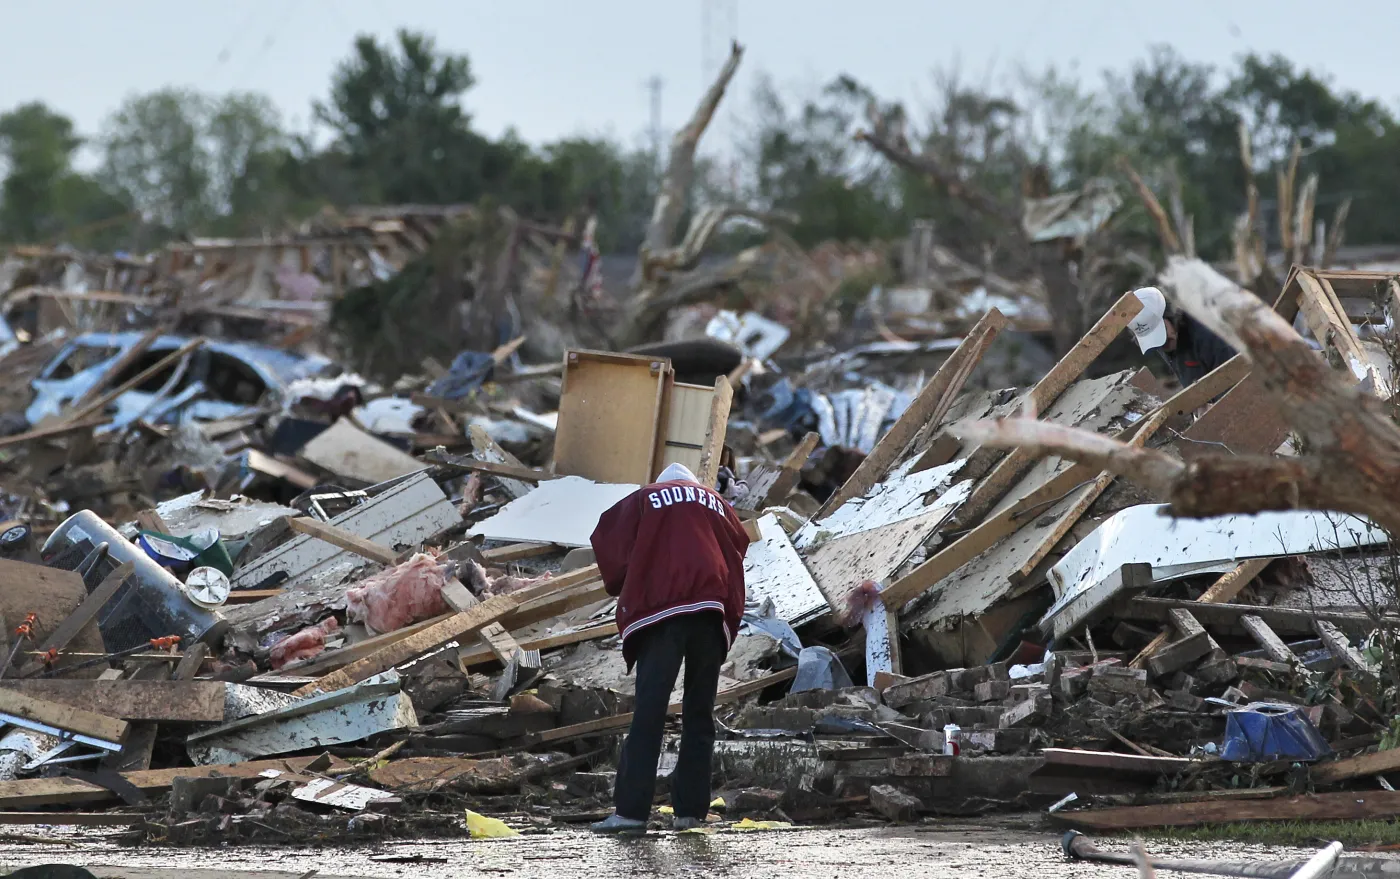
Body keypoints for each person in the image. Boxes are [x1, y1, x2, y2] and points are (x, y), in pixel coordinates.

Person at [588, 462, 751, 835]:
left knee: (650, 710)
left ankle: (630, 813)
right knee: (700, 712)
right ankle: (690, 813)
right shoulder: (718, 503)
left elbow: (609, 537)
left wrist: (628, 578)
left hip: (663, 614)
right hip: (709, 612)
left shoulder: (647, 497)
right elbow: (738, 547)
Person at [1130, 287, 1237, 387]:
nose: (1162, 345)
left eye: (1161, 334)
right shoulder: (1163, 342)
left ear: (1171, 315)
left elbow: (1235, 384)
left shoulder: (1210, 336)